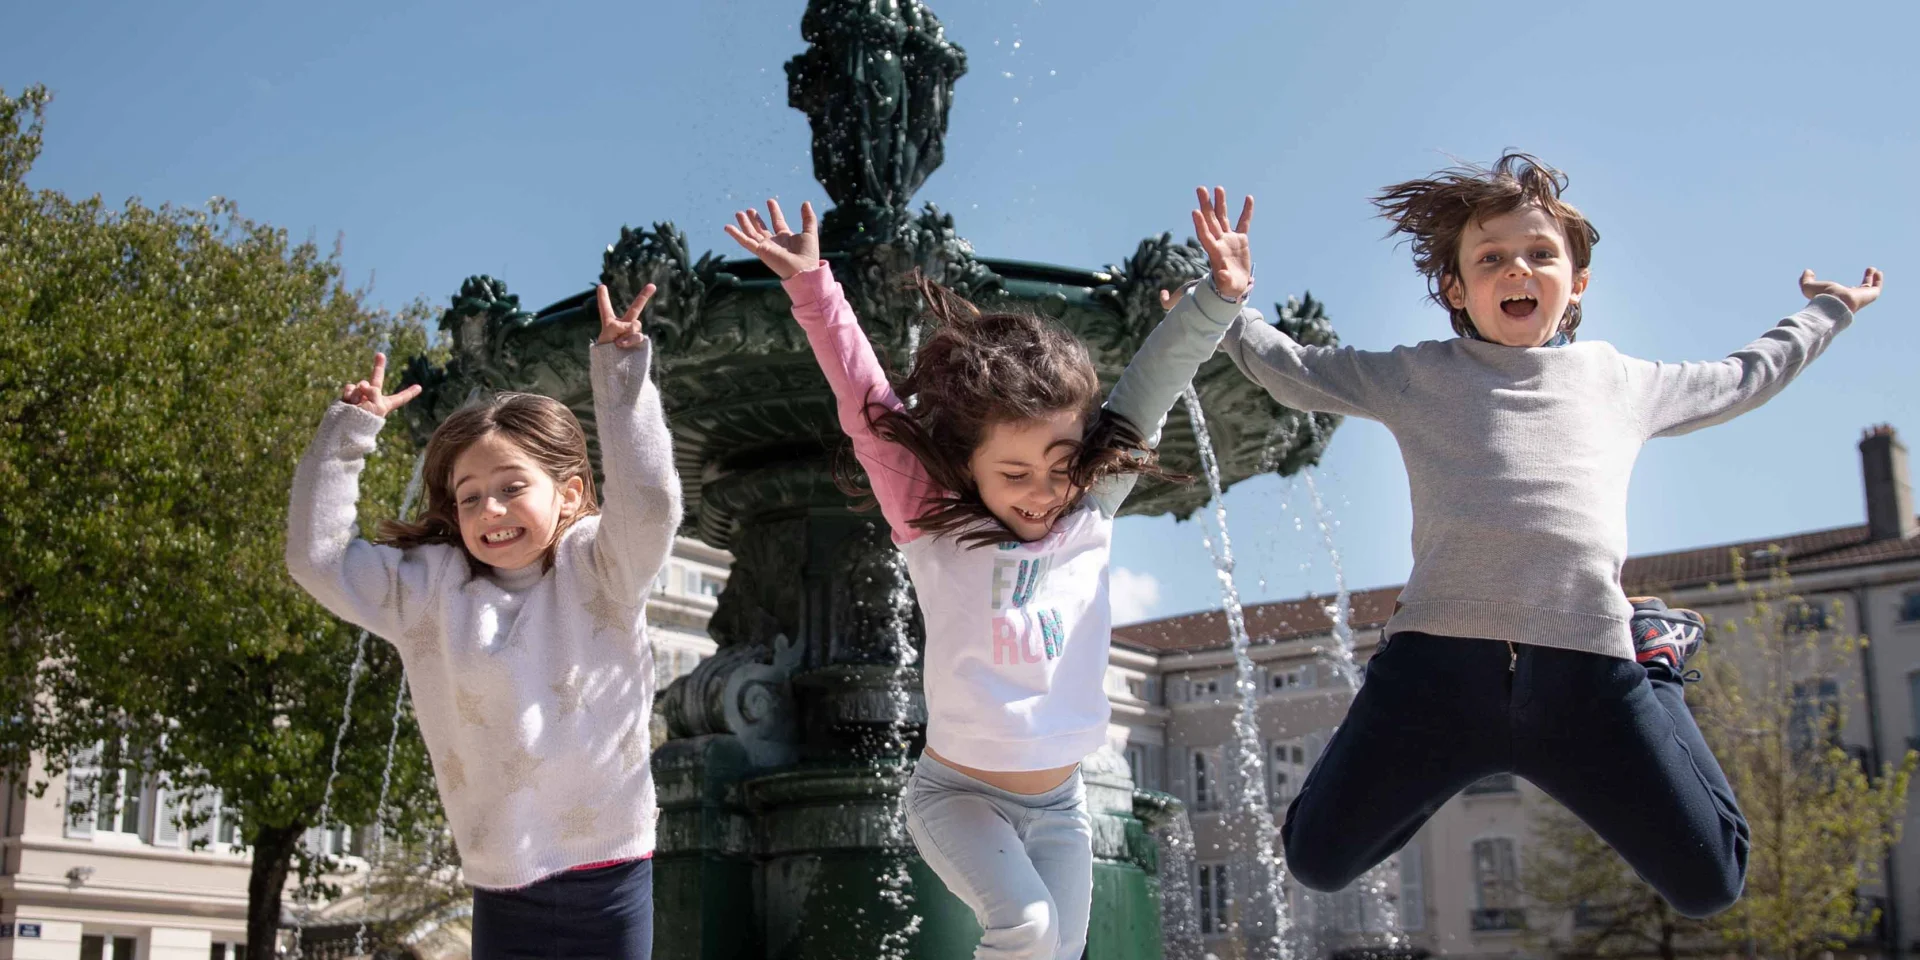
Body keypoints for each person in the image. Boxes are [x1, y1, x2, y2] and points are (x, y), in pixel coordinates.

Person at [1204, 151, 1882, 918]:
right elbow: (1295, 371)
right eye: (1490, 258)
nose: (1516, 270)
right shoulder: (1418, 373)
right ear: (1456, 288)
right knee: (1317, 860)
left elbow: (1742, 376)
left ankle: (1656, 662)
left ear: (1576, 283)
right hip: (1438, 671)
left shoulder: (1618, 379)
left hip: (1585, 671)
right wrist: (1230, 305)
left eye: (1539, 255)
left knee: (1711, 880)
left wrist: (1828, 311)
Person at [725, 190, 1249, 959]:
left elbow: (1152, 383)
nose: (1042, 492)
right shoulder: (936, 528)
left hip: (1061, 806)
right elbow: (866, 405)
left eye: (1060, 467)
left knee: (1057, 954)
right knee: (1027, 931)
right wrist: (814, 286)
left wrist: (1220, 297)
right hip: (958, 798)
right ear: (967, 465)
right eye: (1013, 472)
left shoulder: (1091, 513)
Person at [285, 283, 680, 959]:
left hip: (611, 875)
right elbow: (316, 561)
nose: (490, 510)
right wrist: (347, 437)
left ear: (571, 493)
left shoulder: (603, 570)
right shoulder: (429, 592)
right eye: (470, 497)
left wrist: (621, 377)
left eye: (511, 487)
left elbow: (649, 508)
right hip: (502, 886)